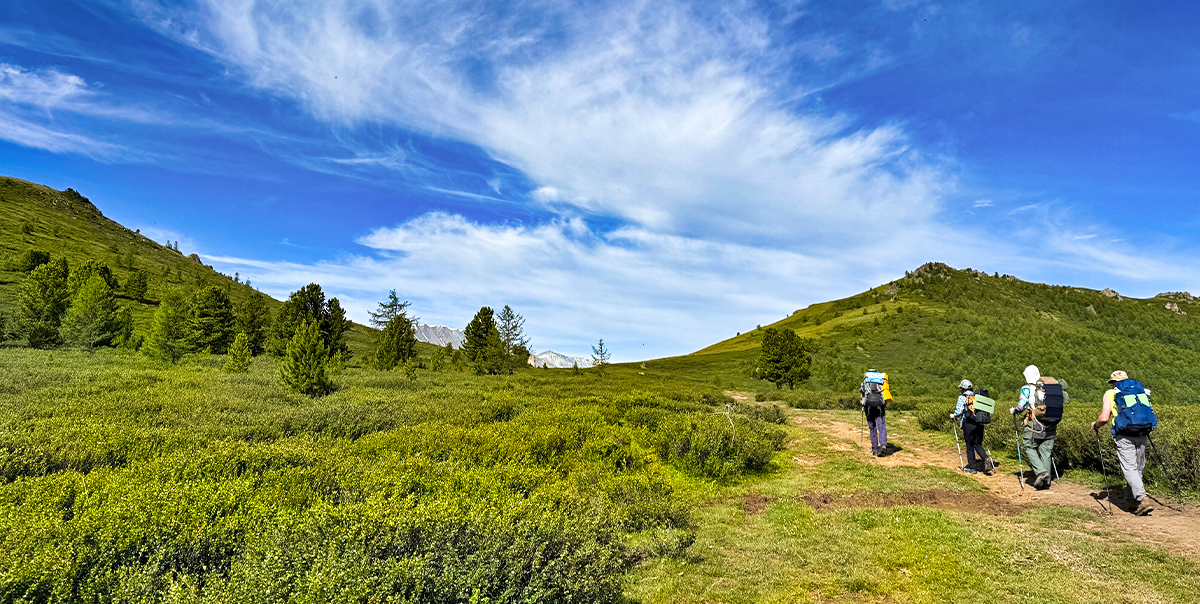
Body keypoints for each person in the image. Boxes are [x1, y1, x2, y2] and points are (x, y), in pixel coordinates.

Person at [1091, 370, 1154, 516]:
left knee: (1129, 468)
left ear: (1114, 383)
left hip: (1124, 434)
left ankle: (1142, 498)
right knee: (1138, 467)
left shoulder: (1111, 393)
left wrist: (1096, 425)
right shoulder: (1139, 391)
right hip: (1142, 431)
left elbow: (1104, 418)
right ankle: (1132, 500)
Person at [1010, 364, 1056, 489]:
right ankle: (1046, 481)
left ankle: (1041, 472)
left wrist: (1014, 410)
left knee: (1028, 445)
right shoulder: (1048, 388)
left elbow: (1021, 406)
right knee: (1045, 451)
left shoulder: (1027, 388)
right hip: (1051, 422)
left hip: (1034, 423)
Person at [952, 379, 990, 475]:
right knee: (977, 444)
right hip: (979, 423)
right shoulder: (978, 397)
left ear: (963, 389)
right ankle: (985, 458)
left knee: (969, 446)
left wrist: (953, 415)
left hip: (968, 423)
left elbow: (959, 411)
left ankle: (973, 468)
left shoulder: (962, 397)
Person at [860, 369, 893, 456]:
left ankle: (875, 449)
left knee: (872, 426)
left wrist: (863, 402)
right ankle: (883, 444)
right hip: (880, 406)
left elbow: (862, 394)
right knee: (881, 425)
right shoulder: (882, 380)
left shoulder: (866, 380)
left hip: (869, 406)